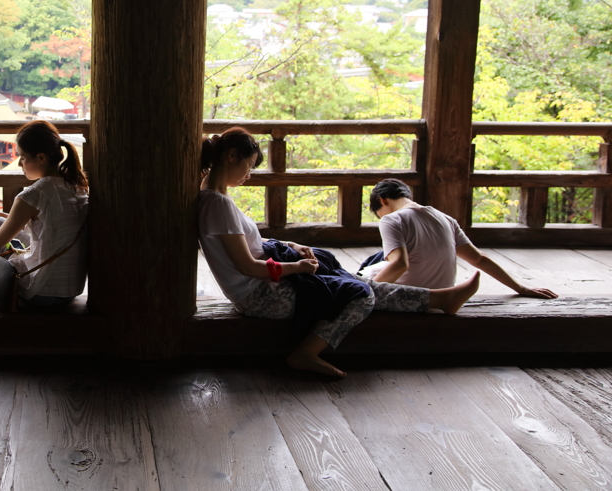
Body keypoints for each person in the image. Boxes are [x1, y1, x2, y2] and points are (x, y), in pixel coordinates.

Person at [198, 127, 480, 378]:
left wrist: (291, 247)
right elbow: (248, 266)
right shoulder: (218, 204)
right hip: (259, 296)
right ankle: (306, 353)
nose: (249, 174)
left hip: (263, 285)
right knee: (360, 296)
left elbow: (246, 242)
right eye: (249, 165)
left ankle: (442, 298)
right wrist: (297, 268)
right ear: (232, 156)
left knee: (348, 281)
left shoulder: (215, 197)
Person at [362, 178, 558, 298]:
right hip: (445, 290)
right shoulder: (445, 218)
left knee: (358, 277)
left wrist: (367, 293)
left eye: (379, 212)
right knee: (380, 257)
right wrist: (520, 288)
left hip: (413, 295)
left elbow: (400, 265)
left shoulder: (391, 220)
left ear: (382, 200)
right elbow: (479, 259)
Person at [0, 120, 88, 307]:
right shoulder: (76, 186)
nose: (20, 164)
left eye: (22, 158)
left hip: (39, 292)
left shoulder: (34, 194)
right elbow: (47, 227)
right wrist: (1, 215)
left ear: (41, 158)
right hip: (69, 290)